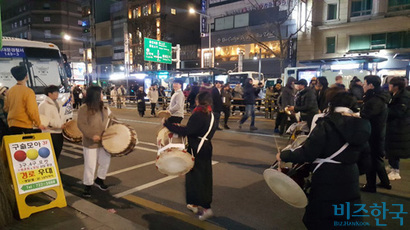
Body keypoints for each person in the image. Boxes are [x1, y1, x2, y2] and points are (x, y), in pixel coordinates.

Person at [276, 92, 371, 230]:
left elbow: (308, 152)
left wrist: (284, 155)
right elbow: (365, 162)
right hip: (350, 177)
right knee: (346, 217)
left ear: (331, 105)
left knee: (323, 218)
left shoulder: (326, 124)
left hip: (327, 176)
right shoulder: (362, 126)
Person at [163, 91, 217, 221]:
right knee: (203, 177)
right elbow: (196, 129)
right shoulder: (212, 115)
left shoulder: (198, 114)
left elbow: (188, 131)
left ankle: (204, 207)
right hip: (206, 147)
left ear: (199, 101)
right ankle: (197, 204)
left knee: (196, 179)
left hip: (196, 148)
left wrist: (167, 125)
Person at [77, 86, 112, 198]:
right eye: (101, 93)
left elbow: (112, 120)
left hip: (104, 141)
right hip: (90, 142)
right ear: (96, 95)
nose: (102, 95)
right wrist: (92, 135)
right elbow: (81, 124)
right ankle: (87, 185)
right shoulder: (84, 108)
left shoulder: (105, 108)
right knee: (90, 164)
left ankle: (100, 179)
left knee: (105, 161)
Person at [360, 75, 391, 192]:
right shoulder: (379, 97)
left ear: (371, 85)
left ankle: (370, 185)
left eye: (365, 83)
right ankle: (385, 182)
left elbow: (366, 115)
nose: (363, 85)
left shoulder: (375, 100)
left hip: (373, 133)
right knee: (377, 159)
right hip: (378, 132)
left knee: (371, 159)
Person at [4, 66, 46, 134]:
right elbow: (32, 110)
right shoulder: (29, 92)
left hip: (12, 125)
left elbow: (6, 108)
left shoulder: (10, 91)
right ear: (26, 76)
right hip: (25, 126)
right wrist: (38, 124)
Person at [385, 77, 410, 181]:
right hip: (394, 126)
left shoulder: (403, 97)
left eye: (390, 85)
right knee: (392, 147)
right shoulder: (395, 95)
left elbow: (399, 112)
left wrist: (385, 111)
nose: (389, 86)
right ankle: (392, 166)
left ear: (396, 86)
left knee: (396, 148)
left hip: (400, 126)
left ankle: (396, 171)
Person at [38, 85, 65, 161]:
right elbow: (45, 119)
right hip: (49, 132)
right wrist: (59, 125)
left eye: (57, 92)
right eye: (55, 92)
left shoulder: (58, 103)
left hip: (59, 132)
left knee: (57, 151)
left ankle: (56, 168)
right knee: (51, 153)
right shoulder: (44, 105)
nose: (57, 94)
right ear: (49, 94)